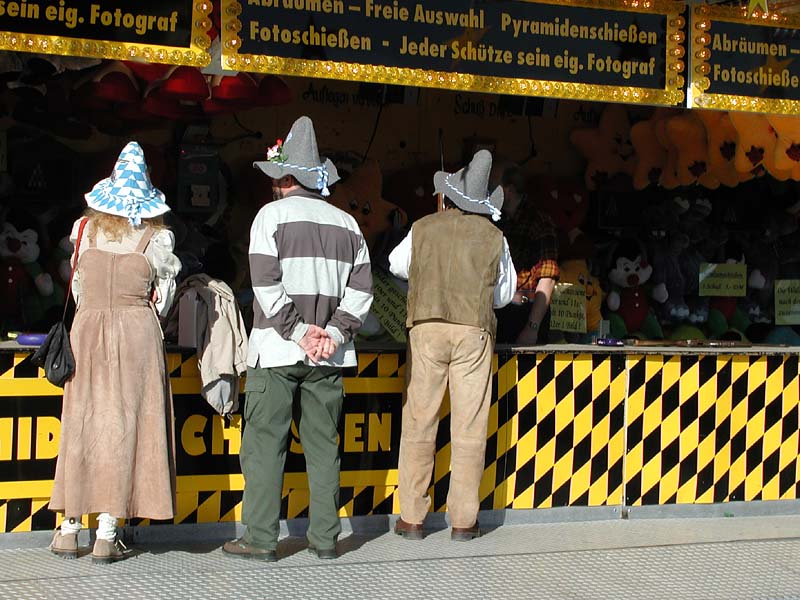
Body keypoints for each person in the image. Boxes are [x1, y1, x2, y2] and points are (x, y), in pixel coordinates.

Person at [222, 116, 373, 562]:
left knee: (265, 448)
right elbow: (363, 292)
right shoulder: (349, 225)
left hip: (276, 351)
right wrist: (331, 333)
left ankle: (260, 540)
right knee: (324, 449)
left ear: (286, 178)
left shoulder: (269, 217)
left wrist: (299, 332)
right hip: (328, 356)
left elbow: (265, 284)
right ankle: (326, 539)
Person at [48, 141, 181, 564]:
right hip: (136, 332)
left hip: (85, 329)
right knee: (125, 424)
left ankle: (68, 529)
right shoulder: (156, 238)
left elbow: (79, 287)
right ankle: (107, 532)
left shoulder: (84, 231)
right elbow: (165, 297)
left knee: (82, 420)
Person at [388, 149, 516, 541]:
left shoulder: (423, 227)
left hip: (425, 328)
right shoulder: (496, 237)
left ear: (450, 195)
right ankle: (463, 521)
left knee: (419, 421)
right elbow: (505, 295)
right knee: (469, 427)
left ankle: (412, 518)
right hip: (473, 332)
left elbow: (395, 265)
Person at [491, 162, 559, 345]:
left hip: (526, 313)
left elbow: (548, 278)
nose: (489, 192)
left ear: (509, 190)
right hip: (499, 312)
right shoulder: (498, 221)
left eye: (494, 187)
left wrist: (532, 327)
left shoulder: (539, 222)